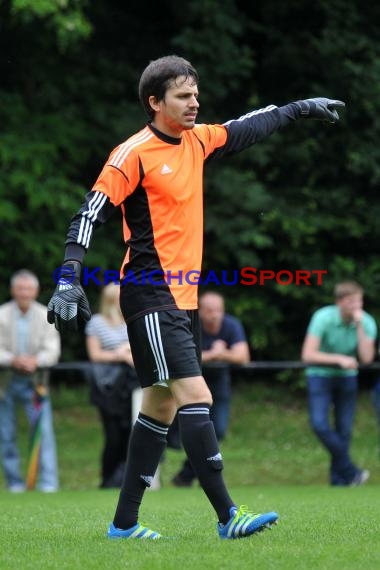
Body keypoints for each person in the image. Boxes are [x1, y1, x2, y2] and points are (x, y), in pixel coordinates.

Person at [47, 54, 344, 539]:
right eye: (183, 96)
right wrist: (68, 275)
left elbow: (249, 125)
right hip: (149, 294)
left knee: (160, 406)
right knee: (195, 395)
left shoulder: (197, 141)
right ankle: (228, 516)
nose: (194, 103)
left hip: (179, 300)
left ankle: (123, 525)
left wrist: (300, 107)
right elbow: (90, 212)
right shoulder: (132, 153)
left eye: (195, 94)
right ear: (155, 101)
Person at [301, 281, 377, 486]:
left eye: (359, 301)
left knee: (344, 429)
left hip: (347, 378)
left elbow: (367, 358)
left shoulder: (367, 322)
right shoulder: (323, 317)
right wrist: (338, 359)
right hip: (319, 376)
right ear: (339, 302)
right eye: (351, 301)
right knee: (319, 424)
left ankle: (339, 480)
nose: (356, 306)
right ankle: (350, 470)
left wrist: (359, 325)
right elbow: (308, 354)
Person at [172, 291, 250, 486]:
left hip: (219, 383)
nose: (214, 315)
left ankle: (186, 475)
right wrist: (213, 354)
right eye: (209, 310)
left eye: (218, 310)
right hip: (191, 382)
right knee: (186, 432)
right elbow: (179, 355)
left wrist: (221, 354)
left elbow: (243, 357)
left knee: (218, 430)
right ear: (200, 310)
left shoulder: (231, 325)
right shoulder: (190, 323)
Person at [0, 269, 60, 493]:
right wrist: (12, 360)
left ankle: (48, 485)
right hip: (5, 383)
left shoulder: (46, 315)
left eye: (28, 288)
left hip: (37, 384)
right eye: (20, 288)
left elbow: (52, 352)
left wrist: (34, 361)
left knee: (44, 433)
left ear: (35, 291)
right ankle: (14, 483)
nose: (24, 293)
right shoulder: (2, 314)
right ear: (13, 290)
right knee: (6, 434)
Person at [85, 282, 136, 489]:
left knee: (131, 434)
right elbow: (95, 354)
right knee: (113, 436)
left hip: (133, 384)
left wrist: (126, 352)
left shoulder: (134, 320)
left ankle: (125, 480)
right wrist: (120, 354)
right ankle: (107, 479)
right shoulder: (96, 322)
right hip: (107, 386)